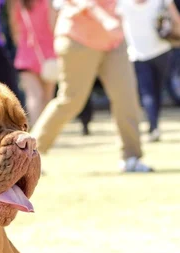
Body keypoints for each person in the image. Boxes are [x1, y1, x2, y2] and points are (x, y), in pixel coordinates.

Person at [32, 0, 153, 173]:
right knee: (71, 100)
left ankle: (131, 158)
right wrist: (104, 19)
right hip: (78, 39)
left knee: (126, 98)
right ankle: (30, 155)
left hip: (113, 41)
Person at [117, 0, 180, 142]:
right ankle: (154, 124)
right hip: (161, 49)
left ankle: (153, 125)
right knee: (156, 90)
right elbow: (176, 19)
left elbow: (117, 26)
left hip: (137, 53)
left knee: (147, 91)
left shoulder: (122, 3)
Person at [8, 0, 57, 126]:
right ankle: (44, 133)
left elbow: (14, 29)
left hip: (26, 53)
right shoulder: (48, 2)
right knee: (47, 99)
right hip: (48, 54)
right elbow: (53, 26)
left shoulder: (17, 3)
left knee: (34, 97)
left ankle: (35, 132)